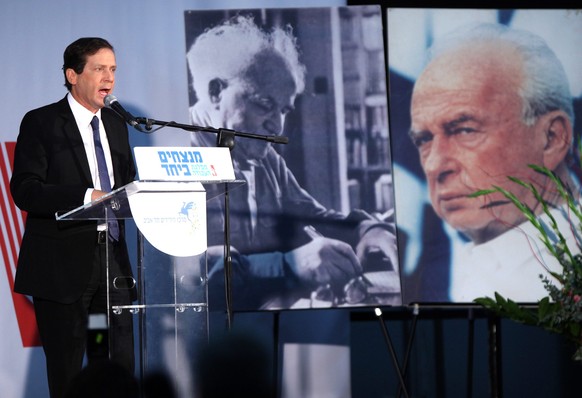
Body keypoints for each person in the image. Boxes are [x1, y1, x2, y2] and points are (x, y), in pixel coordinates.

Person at [186, 15, 399, 310]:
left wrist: (366, 229)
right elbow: (189, 274)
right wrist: (292, 264)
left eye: (284, 110)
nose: (277, 126)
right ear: (216, 92)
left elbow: (309, 216)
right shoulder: (173, 152)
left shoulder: (263, 156)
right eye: (265, 104)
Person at [408, 22, 579, 302]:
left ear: (551, 138)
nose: (433, 165)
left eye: (464, 130)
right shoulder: (439, 276)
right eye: (424, 140)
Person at [10, 38, 136, 398]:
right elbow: (26, 190)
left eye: (113, 69)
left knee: (114, 366)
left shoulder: (116, 124)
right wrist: (85, 196)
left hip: (113, 266)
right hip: (65, 270)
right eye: (99, 69)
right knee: (68, 371)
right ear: (72, 74)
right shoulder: (42, 122)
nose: (108, 77)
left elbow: (123, 188)